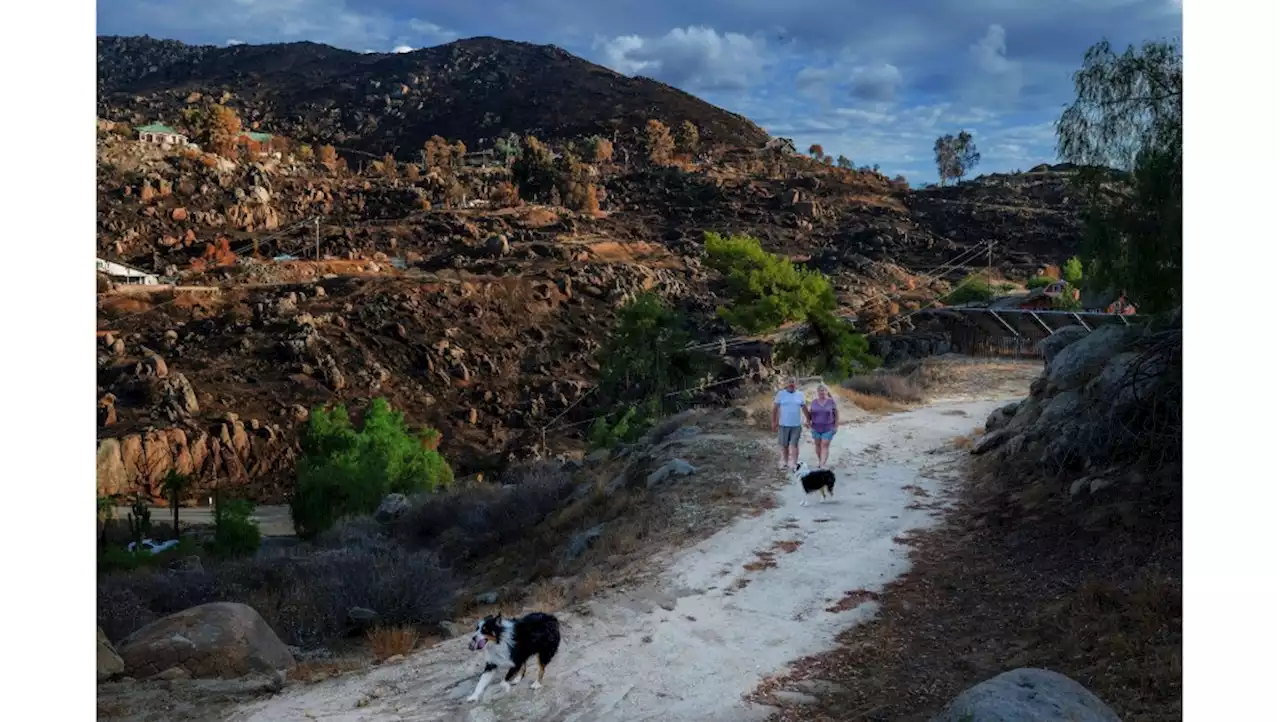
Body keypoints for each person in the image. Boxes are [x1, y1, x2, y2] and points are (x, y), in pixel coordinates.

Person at [772, 378, 808, 470]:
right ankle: (785, 461)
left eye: (793, 382)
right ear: (786, 383)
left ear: (796, 384)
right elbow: (775, 409)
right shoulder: (781, 394)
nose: (791, 384)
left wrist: (808, 419)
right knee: (784, 445)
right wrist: (774, 422)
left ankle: (794, 463)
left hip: (796, 425)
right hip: (783, 424)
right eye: (789, 382)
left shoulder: (800, 394)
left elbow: (804, 408)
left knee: (794, 444)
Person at [806, 384, 839, 469]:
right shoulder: (814, 402)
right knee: (817, 445)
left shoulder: (831, 402)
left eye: (823, 390)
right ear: (817, 392)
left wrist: (836, 426)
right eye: (820, 391)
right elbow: (810, 413)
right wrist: (807, 421)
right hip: (815, 427)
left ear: (826, 391)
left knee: (824, 445)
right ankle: (821, 461)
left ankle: (822, 464)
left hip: (828, 428)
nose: (822, 392)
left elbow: (836, 414)